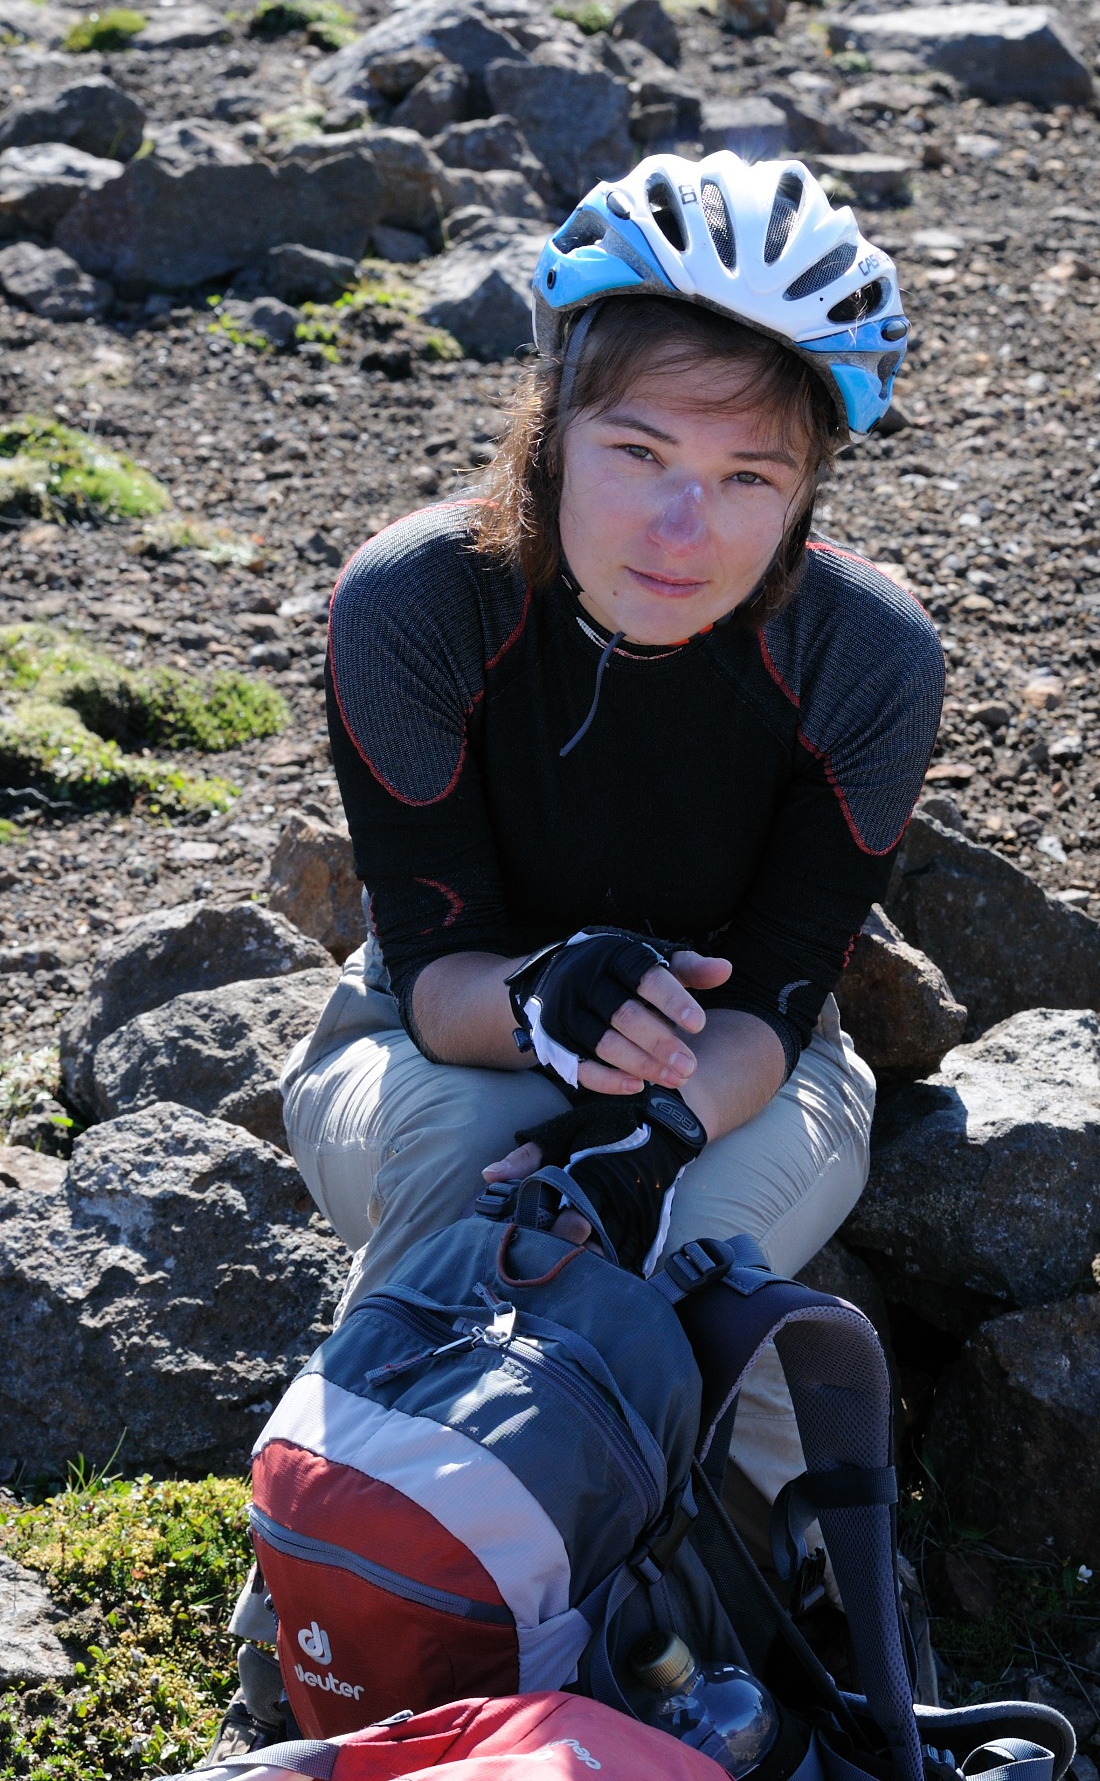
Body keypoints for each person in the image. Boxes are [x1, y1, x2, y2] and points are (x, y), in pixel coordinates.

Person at [279, 147, 944, 1569]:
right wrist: (538, 1000)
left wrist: (647, 1138)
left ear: (809, 490)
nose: (681, 528)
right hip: (431, 1036)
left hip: (746, 1070)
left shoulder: (868, 657)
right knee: (474, 1168)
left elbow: (778, 997)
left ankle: (775, 1621)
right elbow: (432, 977)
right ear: (551, 423)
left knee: (686, 1253)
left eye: (748, 475)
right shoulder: (415, 602)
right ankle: (336, 1618)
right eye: (638, 453)